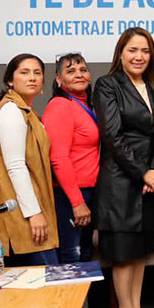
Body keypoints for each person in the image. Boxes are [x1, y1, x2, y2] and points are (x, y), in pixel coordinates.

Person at [94, 28, 154, 308]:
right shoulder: (107, 85)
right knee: (124, 252)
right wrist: (143, 173)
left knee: (140, 251)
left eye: (145, 51)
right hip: (121, 180)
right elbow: (112, 136)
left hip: (147, 178)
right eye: (132, 50)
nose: (138, 56)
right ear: (120, 53)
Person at [0, 53, 59, 267]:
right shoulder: (11, 111)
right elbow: (15, 166)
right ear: (10, 80)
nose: (32, 78)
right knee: (46, 280)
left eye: (37, 73)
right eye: (24, 72)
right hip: (22, 212)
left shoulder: (26, 111)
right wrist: (34, 213)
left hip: (33, 205)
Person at [42, 53, 99, 265]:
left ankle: (83, 299)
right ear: (58, 79)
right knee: (72, 258)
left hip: (88, 193)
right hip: (70, 196)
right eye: (70, 71)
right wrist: (77, 202)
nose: (79, 75)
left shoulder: (85, 105)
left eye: (83, 70)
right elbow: (58, 158)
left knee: (85, 256)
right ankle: (72, 300)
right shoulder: (60, 105)